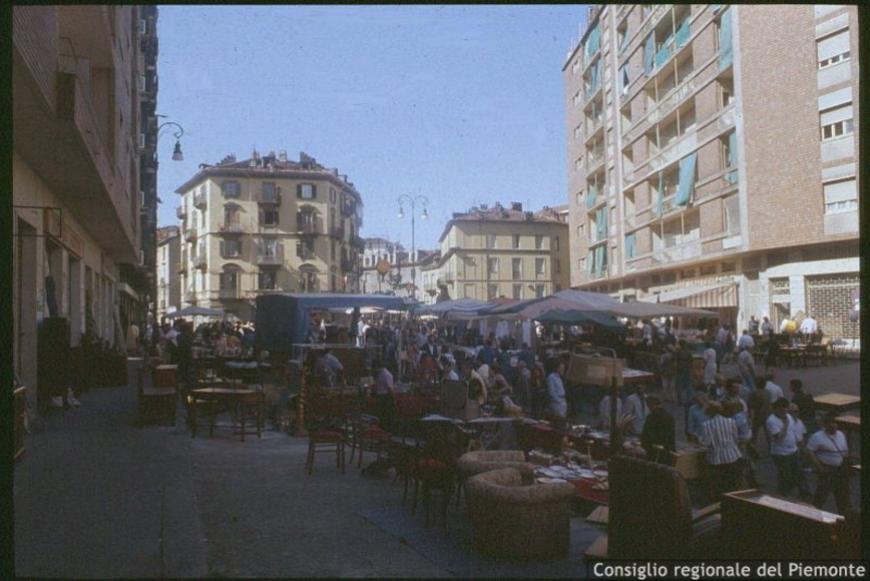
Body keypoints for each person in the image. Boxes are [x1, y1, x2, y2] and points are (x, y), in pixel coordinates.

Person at [806, 413, 851, 514]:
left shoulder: (841, 434)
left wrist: (846, 464)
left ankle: (843, 516)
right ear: (825, 425)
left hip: (840, 470)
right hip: (827, 469)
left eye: (835, 423)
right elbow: (810, 451)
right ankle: (814, 514)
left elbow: (845, 451)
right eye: (831, 424)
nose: (833, 426)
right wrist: (819, 466)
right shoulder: (817, 436)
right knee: (822, 493)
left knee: (842, 495)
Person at [699, 401, 742, 499]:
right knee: (731, 481)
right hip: (732, 455)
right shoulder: (731, 421)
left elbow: (706, 442)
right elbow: (735, 438)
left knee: (719, 483)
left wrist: (699, 438)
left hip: (715, 457)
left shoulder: (706, 425)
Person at [766, 397, 803, 498]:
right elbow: (779, 437)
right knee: (785, 475)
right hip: (781, 453)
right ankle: (781, 494)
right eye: (781, 410)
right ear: (776, 409)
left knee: (796, 474)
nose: (784, 412)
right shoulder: (771, 421)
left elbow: (793, 431)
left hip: (793, 450)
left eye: (785, 409)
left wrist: (798, 442)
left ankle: (789, 492)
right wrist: (785, 424)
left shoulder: (788, 416)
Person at [640, 396, 675, 464]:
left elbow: (647, 436)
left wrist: (644, 443)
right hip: (668, 451)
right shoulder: (670, 416)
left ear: (650, 405)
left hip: (655, 453)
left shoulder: (651, 417)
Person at [372, 359, 396, 430]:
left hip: (385, 397)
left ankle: (387, 429)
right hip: (381, 397)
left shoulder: (386, 374)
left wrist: (393, 398)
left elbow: (390, 388)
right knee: (382, 416)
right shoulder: (380, 374)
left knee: (386, 416)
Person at [747, 376, 772, 447]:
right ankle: (771, 447)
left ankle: (752, 446)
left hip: (758, 415)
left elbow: (750, 404)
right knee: (768, 433)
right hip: (767, 415)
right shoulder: (768, 393)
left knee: (754, 433)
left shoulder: (754, 393)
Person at [546, 360, 568, 429]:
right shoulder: (551, 377)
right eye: (561, 368)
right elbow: (551, 392)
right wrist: (558, 401)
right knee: (557, 422)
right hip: (557, 403)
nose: (563, 370)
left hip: (562, 401)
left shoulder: (560, 378)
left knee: (562, 422)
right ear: (557, 368)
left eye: (564, 369)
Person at [674, 340, 694, 407]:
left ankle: (680, 401)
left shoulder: (678, 352)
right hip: (687, 370)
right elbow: (691, 361)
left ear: (680, 345)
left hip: (680, 371)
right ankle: (689, 400)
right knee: (689, 386)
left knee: (679, 387)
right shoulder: (688, 352)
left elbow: (675, 361)